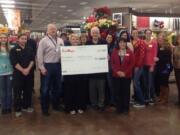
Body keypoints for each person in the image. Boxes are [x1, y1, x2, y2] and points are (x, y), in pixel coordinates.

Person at [37, 24, 64, 116]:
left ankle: (55, 105)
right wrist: (41, 67)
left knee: (57, 87)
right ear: (47, 31)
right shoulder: (43, 41)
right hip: (47, 66)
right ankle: (45, 108)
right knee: (45, 89)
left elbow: (63, 52)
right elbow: (39, 55)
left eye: (54, 29)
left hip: (58, 65)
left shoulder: (60, 40)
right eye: (51, 29)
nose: (53, 30)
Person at [10, 33, 35, 117]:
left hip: (28, 73)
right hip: (18, 74)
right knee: (17, 91)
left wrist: (27, 69)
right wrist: (22, 70)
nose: (24, 40)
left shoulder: (30, 49)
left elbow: (32, 60)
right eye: (22, 38)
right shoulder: (14, 50)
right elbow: (14, 62)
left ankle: (26, 106)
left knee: (28, 90)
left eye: (25, 39)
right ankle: (17, 109)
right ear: (18, 39)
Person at [63, 34, 87, 115]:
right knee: (70, 91)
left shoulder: (83, 49)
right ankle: (70, 108)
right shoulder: (65, 50)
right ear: (70, 40)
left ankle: (80, 107)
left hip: (80, 73)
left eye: (77, 39)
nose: (75, 41)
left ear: (79, 40)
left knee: (80, 90)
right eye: (73, 39)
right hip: (69, 74)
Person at [111, 38, 134, 114]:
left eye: (124, 42)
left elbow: (131, 64)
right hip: (116, 76)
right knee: (118, 92)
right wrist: (117, 72)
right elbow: (112, 63)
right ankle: (119, 108)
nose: (122, 44)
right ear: (118, 44)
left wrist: (125, 73)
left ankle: (126, 108)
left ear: (126, 43)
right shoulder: (114, 52)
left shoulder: (129, 52)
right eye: (120, 42)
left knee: (126, 92)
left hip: (126, 76)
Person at [86, 27, 107, 110]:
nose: (95, 34)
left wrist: (107, 56)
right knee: (92, 90)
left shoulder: (103, 42)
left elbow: (107, 53)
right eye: (93, 32)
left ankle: (101, 104)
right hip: (91, 71)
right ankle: (93, 104)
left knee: (101, 89)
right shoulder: (88, 43)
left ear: (99, 34)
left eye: (96, 32)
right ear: (91, 34)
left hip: (101, 70)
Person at [156, 33, 173, 105]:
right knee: (161, 82)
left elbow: (166, 58)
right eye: (158, 39)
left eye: (161, 39)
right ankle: (161, 97)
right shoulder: (159, 46)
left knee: (164, 82)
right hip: (161, 67)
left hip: (166, 67)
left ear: (164, 39)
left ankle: (165, 99)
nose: (159, 40)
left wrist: (158, 59)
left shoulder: (167, 46)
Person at [131, 29, 146, 108]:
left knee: (136, 83)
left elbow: (142, 55)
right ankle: (136, 99)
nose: (134, 34)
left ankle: (142, 101)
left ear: (138, 34)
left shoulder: (141, 42)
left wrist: (138, 65)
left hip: (138, 66)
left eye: (136, 33)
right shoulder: (131, 42)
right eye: (133, 33)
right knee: (135, 83)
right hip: (132, 66)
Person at [143, 29, 157, 105]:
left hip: (151, 65)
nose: (148, 35)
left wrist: (152, 65)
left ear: (151, 34)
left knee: (150, 82)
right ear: (145, 34)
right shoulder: (143, 42)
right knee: (145, 82)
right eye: (147, 33)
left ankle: (151, 97)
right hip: (144, 65)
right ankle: (146, 97)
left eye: (149, 33)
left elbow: (155, 54)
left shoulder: (154, 43)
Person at [0, 34, 13, 114]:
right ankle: (4, 107)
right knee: (2, 91)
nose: (3, 39)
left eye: (5, 38)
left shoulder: (10, 49)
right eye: (2, 38)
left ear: (7, 39)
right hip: (0, 73)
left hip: (9, 72)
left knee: (9, 91)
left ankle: (9, 107)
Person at [106, 33, 116, 105]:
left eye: (110, 37)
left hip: (111, 68)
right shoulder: (103, 45)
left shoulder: (115, 46)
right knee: (106, 85)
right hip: (104, 68)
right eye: (108, 37)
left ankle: (113, 100)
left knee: (111, 85)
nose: (109, 39)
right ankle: (108, 100)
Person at [173, 35, 180, 107]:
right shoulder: (175, 48)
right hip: (176, 68)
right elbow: (174, 57)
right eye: (179, 39)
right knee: (178, 84)